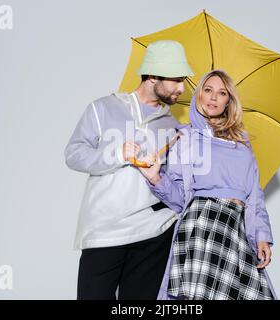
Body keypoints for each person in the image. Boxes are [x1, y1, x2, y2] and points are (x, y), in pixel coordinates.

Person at [64, 40, 194, 299]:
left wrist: (161, 170)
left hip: (154, 232)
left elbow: (175, 184)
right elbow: (73, 154)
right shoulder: (103, 109)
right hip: (105, 231)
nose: (182, 88)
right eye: (176, 80)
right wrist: (118, 153)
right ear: (153, 76)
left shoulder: (173, 126)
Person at [138, 69, 278, 300]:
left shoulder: (241, 142)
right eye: (208, 90)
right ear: (198, 95)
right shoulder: (185, 137)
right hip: (201, 226)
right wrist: (156, 177)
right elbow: (181, 198)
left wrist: (261, 234)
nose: (214, 97)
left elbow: (254, 195)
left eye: (222, 93)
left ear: (228, 101)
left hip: (236, 228)